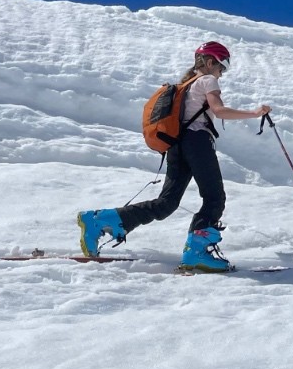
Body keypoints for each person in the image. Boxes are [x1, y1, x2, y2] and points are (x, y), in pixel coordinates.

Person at [77, 40, 271, 272]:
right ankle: (197, 253)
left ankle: (99, 220)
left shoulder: (186, 85)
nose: (223, 72)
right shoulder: (207, 80)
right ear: (210, 62)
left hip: (177, 145)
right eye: (223, 66)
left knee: (166, 203)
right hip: (198, 141)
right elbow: (219, 111)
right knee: (214, 198)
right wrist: (255, 113)